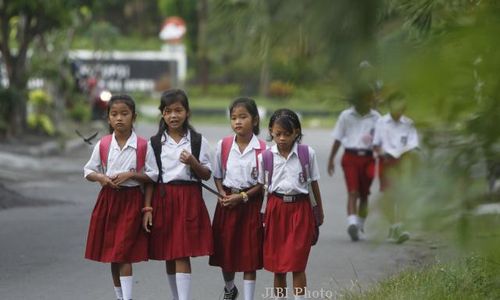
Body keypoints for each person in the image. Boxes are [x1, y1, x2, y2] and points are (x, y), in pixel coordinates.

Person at [83, 94, 158, 300]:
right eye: (114, 114)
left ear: (134, 117)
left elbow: (153, 175)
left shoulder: (143, 146)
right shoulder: (104, 144)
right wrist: (101, 178)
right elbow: (88, 170)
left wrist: (132, 174)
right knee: (113, 254)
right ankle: (120, 296)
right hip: (109, 201)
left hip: (132, 201)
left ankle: (127, 298)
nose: (119, 119)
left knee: (124, 252)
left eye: (124, 114)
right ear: (108, 118)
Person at [143, 89, 213, 300]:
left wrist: (193, 162)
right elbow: (151, 179)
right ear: (162, 114)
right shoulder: (155, 143)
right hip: (164, 198)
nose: (173, 115)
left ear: (187, 112)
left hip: (189, 198)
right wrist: (147, 208)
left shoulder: (198, 141)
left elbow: (207, 174)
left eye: (178, 110)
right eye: (168, 111)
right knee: (169, 253)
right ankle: (176, 296)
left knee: (182, 251)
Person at [258, 109, 325, 300]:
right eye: (277, 134)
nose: (282, 138)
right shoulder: (266, 157)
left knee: (297, 263)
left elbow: (314, 183)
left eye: (287, 134)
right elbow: (263, 188)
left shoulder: (306, 153)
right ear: (270, 131)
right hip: (276, 209)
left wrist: (319, 211)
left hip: (301, 210)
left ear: (296, 132)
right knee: (278, 266)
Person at [209, 98, 266, 300]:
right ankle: (230, 288)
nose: (237, 122)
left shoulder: (263, 149)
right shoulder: (223, 145)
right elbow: (217, 175)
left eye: (243, 117)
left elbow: (263, 183)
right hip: (227, 205)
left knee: (250, 254)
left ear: (255, 120)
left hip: (251, 205)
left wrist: (242, 197)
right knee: (226, 252)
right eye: (233, 118)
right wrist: (222, 193)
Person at [327, 88, 381, 241]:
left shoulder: (377, 118)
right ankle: (352, 223)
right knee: (353, 191)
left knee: (364, 195)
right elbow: (338, 138)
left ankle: (360, 224)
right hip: (350, 157)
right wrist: (331, 159)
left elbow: (382, 139)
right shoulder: (346, 116)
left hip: (369, 158)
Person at [373, 92, 419, 243]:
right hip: (387, 162)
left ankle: (400, 226)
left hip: (403, 161)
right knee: (388, 196)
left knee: (403, 194)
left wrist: (405, 154)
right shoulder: (381, 122)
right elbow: (376, 145)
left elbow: (413, 143)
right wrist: (383, 154)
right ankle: (393, 225)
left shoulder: (409, 123)